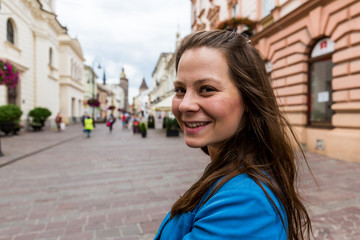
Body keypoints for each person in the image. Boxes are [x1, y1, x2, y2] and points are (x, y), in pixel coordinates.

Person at [155, 30, 313, 240]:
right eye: (180, 89)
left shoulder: (245, 203)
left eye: (207, 89)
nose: (185, 105)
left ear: (248, 98)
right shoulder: (230, 169)